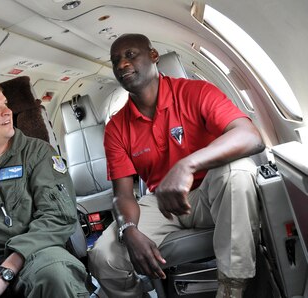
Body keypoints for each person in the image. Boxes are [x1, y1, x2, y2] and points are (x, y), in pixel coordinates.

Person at [88, 33, 265, 298]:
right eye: (115, 61)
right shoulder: (116, 127)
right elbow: (123, 194)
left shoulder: (196, 92)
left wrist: (187, 165)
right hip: (162, 205)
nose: (122, 65)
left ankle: (231, 288)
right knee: (103, 257)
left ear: (154, 56)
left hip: (211, 194)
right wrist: (129, 229)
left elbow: (251, 136)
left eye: (130, 55)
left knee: (238, 171)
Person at [0, 79, 89, 298]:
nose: (7, 112)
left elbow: (58, 216)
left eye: (5, 103)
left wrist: (7, 270)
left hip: (36, 254)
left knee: (55, 274)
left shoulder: (38, 153)